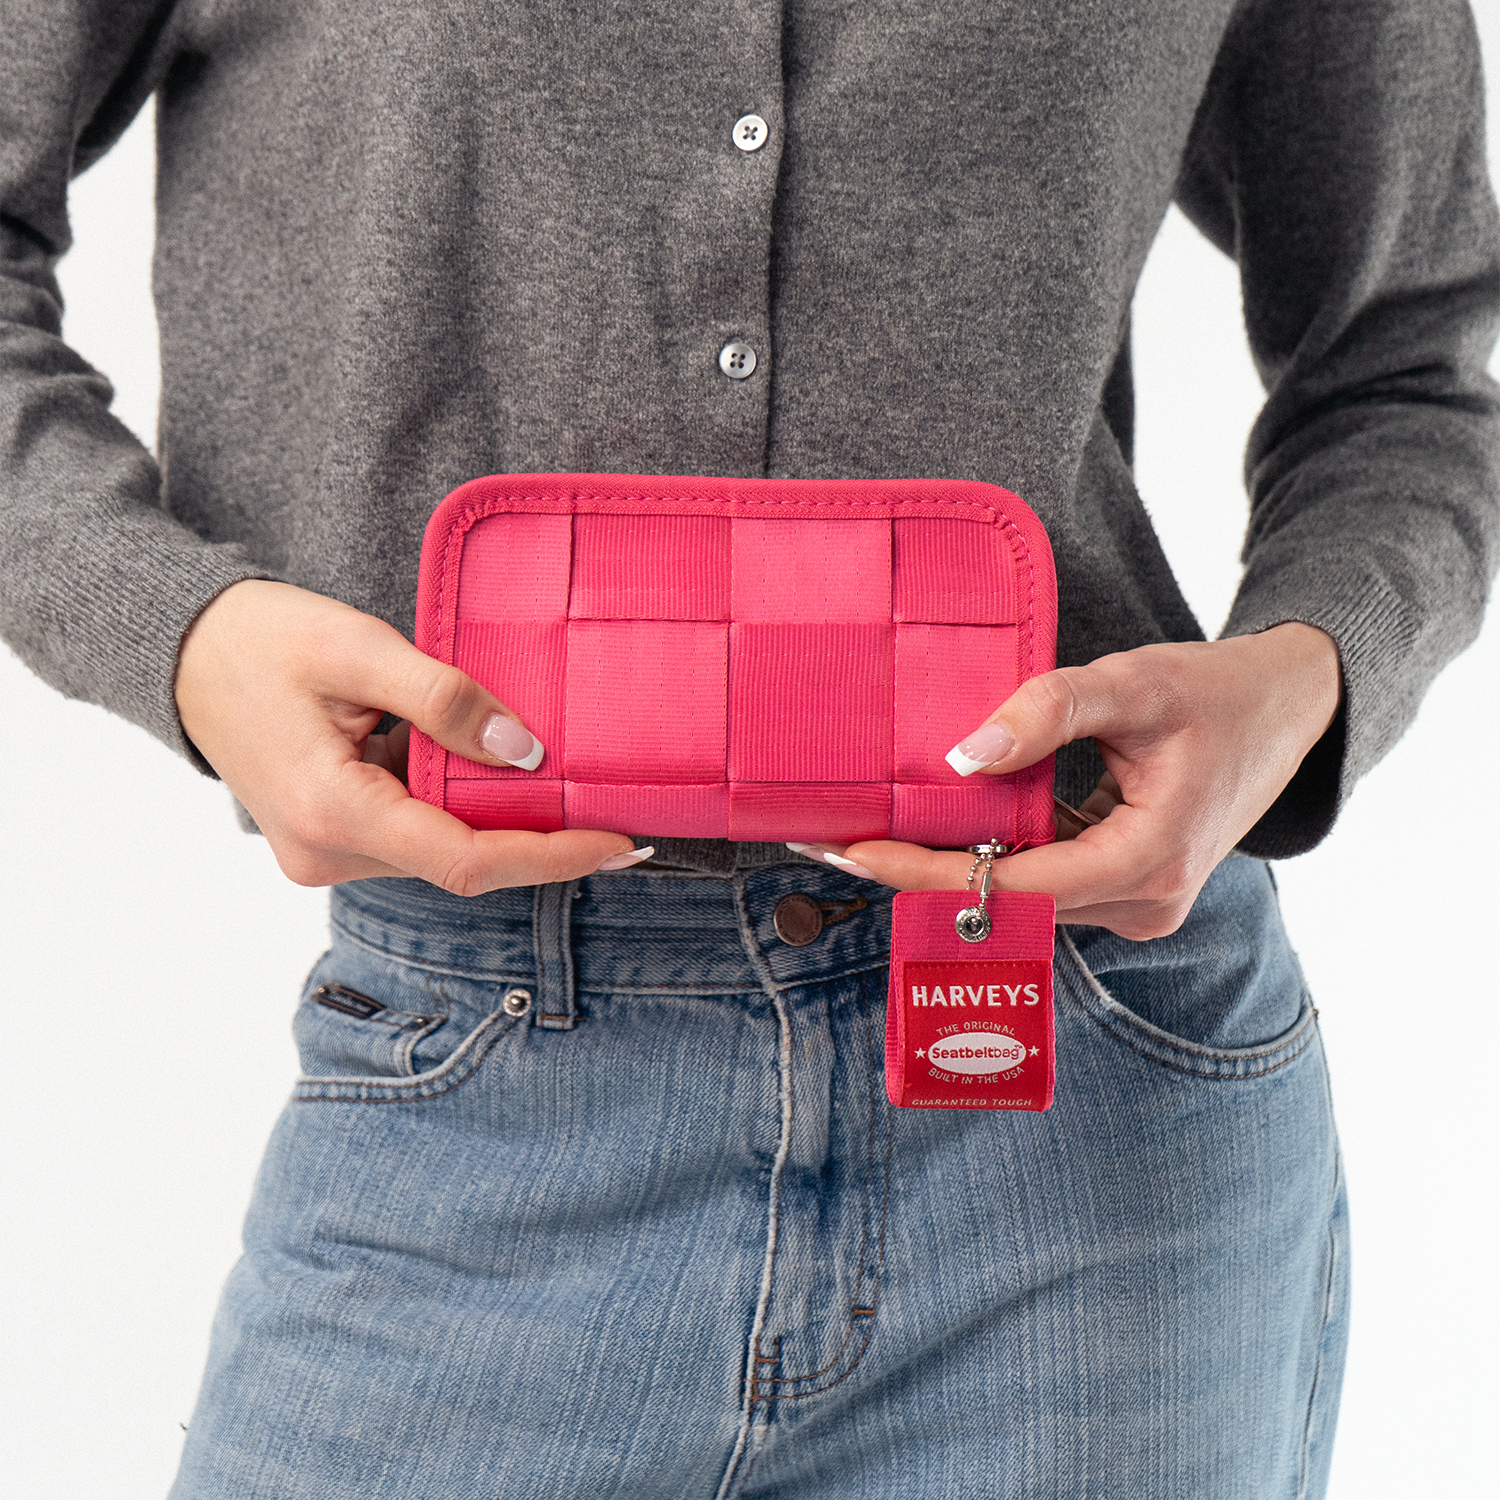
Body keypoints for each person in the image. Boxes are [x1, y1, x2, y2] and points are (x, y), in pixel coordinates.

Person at [2, 1, 1496, 1495]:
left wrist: (1307, 678)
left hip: (1090, 1099)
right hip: (468, 1073)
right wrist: (176, 634)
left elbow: (1413, 366)